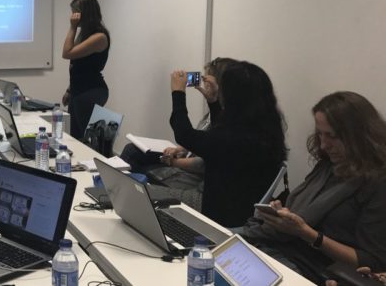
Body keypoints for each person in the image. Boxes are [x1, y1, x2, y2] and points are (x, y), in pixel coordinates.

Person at [239, 91, 386, 284]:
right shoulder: (328, 165)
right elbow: (306, 213)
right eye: (320, 134)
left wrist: (307, 233)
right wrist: (284, 216)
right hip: (280, 248)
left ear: (358, 135)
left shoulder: (377, 183)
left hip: (312, 268)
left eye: (332, 136)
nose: (324, 145)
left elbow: (373, 261)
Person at [169, 61, 287, 227]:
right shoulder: (266, 132)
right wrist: (213, 102)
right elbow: (221, 137)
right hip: (240, 213)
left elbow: (184, 134)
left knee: (148, 194)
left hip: (218, 221)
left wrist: (178, 93)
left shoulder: (233, 139)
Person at [119, 57, 238, 210]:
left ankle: (123, 197)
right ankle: (119, 194)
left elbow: (202, 161)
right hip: (185, 163)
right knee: (132, 150)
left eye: (208, 81)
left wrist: (172, 161)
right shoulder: (214, 111)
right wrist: (179, 150)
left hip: (193, 179)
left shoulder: (227, 119)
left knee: (136, 175)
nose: (204, 84)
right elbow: (199, 138)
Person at [61, 0, 110, 141]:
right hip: (78, 91)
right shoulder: (85, 34)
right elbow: (77, 66)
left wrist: (72, 27)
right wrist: (69, 90)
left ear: (85, 13)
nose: (72, 16)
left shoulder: (99, 37)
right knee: (75, 136)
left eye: (75, 12)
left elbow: (67, 53)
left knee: (89, 140)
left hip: (91, 91)